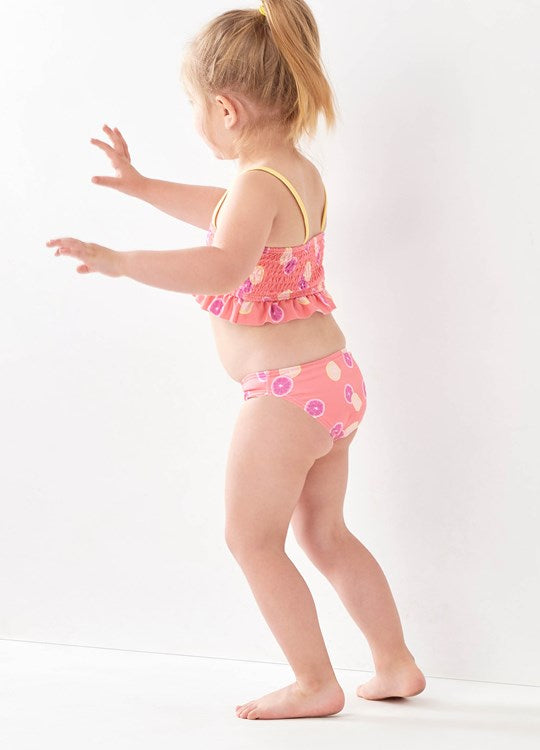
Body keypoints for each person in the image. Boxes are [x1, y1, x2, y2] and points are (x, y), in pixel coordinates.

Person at [46, 0, 426, 721]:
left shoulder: (257, 184)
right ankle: (396, 662)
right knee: (325, 534)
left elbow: (224, 262)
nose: (196, 119)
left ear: (225, 108)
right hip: (334, 381)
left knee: (250, 538)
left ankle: (314, 682)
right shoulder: (294, 172)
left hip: (285, 394)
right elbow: (225, 212)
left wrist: (123, 261)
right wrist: (143, 186)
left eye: (195, 107)